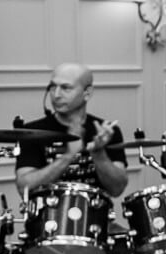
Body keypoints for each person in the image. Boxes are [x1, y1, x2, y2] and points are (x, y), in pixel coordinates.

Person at [15, 62, 128, 198]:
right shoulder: (32, 131)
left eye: (65, 88)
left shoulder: (105, 131)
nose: (56, 95)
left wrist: (99, 154)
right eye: (52, 87)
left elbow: (117, 189)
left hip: (95, 216)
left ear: (87, 93)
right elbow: (24, 188)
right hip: (48, 216)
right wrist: (68, 155)